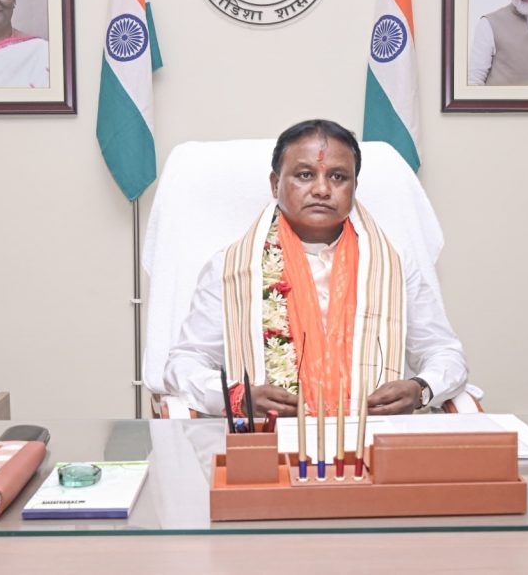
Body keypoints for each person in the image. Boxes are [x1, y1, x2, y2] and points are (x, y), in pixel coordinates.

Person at [163, 119, 468, 417]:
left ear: (354, 186)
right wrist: (237, 396)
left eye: (338, 177)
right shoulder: (230, 268)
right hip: (268, 445)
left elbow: (443, 352)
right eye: (305, 175)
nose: (322, 189)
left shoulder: (395, 265)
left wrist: (421, 389)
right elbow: (186, 361)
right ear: (275, 184)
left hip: (376, 440)